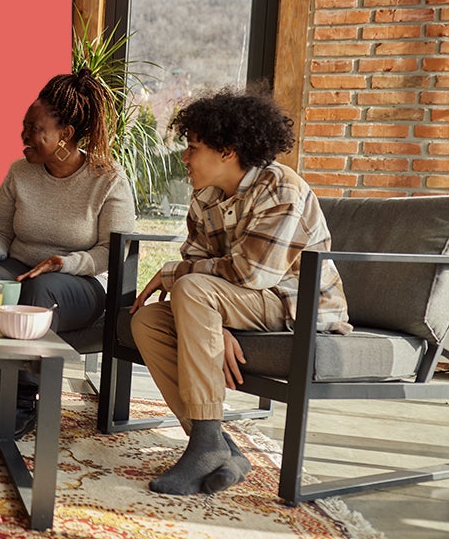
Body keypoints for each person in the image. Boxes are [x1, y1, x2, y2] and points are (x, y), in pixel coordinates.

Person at [129, 89, 350, 495]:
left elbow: (250, 273)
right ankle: (218, 446)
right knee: (147, 320)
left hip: (295, 304)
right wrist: (215, 325)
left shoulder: (281, 187)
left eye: (192, 148)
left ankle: (206, 446)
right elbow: (199, 266)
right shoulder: (205, 196)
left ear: (227, 150)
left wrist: (178, 277)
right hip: (238, 303)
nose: (184, 158)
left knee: (191, 287)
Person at [0, 70, 136, 439]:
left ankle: (21, 400)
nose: (24, 136)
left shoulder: (108, 178)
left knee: (40, 293)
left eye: (34, 128)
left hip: (77, 283)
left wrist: (66, 263)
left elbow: (111, 252)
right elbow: (1, 231)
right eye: (24, 125)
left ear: (65, 135)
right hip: (20, 268)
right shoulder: (21, 172)